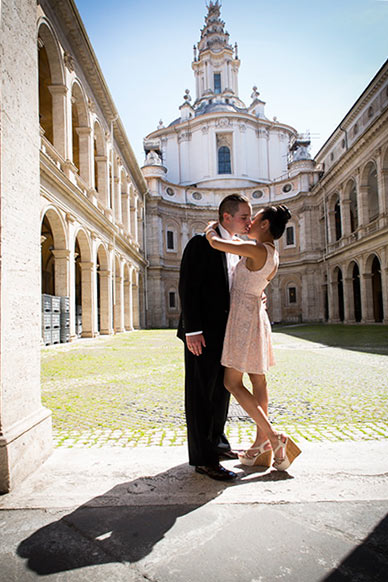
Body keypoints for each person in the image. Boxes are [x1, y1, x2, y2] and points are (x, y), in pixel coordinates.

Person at [205, 205, 301, 471]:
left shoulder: (256, 249)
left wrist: (210, 230)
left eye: (254, 219)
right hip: (256, 315)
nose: (249, 223)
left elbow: (215, 244)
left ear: (266, 225)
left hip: (243, 318)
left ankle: (273, 437)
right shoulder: (272, 253)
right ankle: (261, 445)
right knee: (258, 380)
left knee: (231, 382)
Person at [177, 194, 252, 481]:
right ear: (226, 218)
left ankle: (218, 444)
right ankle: (204, 459)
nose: (248, 222)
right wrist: (192, 330)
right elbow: (188, 286)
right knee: (201, 395)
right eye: (244, 217)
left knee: (221, 391)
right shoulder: (200, 243)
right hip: (203, 335)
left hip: (227, 333)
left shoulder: (236, 247)